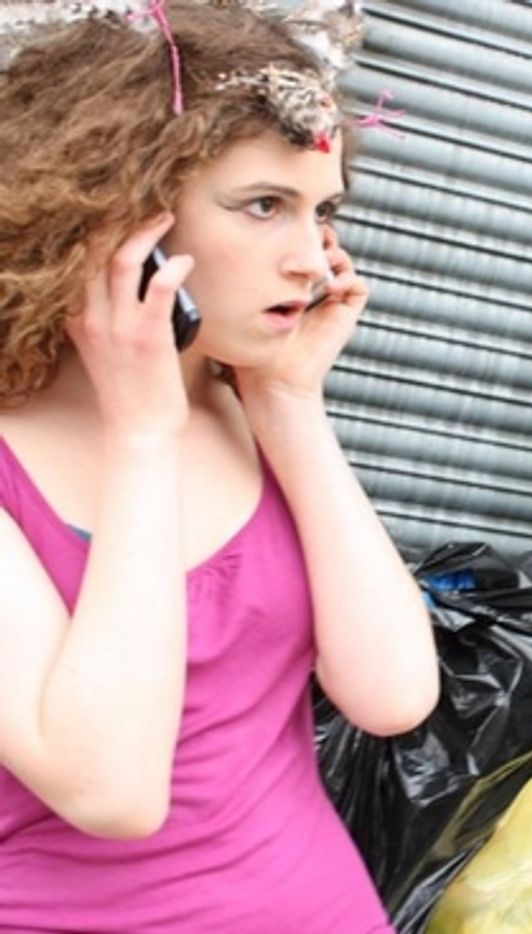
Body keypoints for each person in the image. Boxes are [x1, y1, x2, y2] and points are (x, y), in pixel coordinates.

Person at [0, 2, 440, 930]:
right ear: (117, 214)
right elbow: (113, 791)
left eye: (323, 214)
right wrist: (142, 437)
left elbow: (393, 694)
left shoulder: (244, 404)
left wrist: (289, 403)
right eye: (263, 207)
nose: (313, 263)